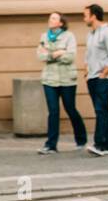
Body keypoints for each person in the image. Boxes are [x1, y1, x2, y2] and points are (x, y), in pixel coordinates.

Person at [36, 12, 85, 154]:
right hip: (49, 79)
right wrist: (56, 53)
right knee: (53, 111)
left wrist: (51, 54)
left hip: (67, 79)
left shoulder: (69, 36)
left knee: (70, 109)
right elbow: (40, 55)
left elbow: (70, 56)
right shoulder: (44, 36)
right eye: (50, 18)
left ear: (61, 23)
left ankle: (81, 139)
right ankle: (51, 145)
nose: (50, 20)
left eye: (54, 18)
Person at [83, 3, 108, 155]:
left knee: (100, 110)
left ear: (94, 16)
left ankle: (99, 145)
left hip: (104, 78)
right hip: (92, 77)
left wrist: (104, 74)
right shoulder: (90, 34)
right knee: (103, 110)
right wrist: (86, 72)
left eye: (85, 15)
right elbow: (88, 55)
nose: (83, 18)